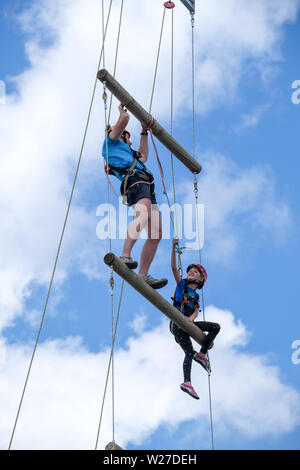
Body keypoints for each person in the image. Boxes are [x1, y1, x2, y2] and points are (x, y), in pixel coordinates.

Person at [102, 103, 167, 289]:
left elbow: (144, 156)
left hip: (144, 185)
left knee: (156, 234)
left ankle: (143, 274)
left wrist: (144, 132)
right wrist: (123, 112)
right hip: (135, 183)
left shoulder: (129, 154)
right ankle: (125, 254)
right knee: (143, 215)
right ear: (121, 136)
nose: (130, 143)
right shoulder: (110, 143)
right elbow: (124, 120)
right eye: (128, 139)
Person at [170, 237, 221, 400]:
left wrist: (192, 319)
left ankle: (202, 355)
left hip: (187, 322)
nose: (190, 274)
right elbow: (173, 268)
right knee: (187, 351)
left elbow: (196, 312)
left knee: (215, 327)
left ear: (200, 280)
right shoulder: (181, 286)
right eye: (189, 272)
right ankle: (187, 381)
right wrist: (174, 247)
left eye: (194, 273)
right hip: (178, 324)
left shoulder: (196, 296)